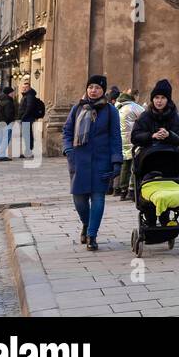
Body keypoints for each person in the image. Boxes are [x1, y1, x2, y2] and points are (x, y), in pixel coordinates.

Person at [62, 75, 123, 251]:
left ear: (103, 90)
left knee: (98, 198)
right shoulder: (77, 108)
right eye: (91, 87)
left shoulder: (111, 111)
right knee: (79, 199)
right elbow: (67, 132)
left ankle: (92, 235)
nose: (93, 90)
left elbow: (115, 137)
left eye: (97, 87)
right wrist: (69, 150)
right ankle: (86, 224)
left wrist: (116, 161)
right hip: (79, 160)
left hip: (101, 160)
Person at [112, 87, 146, 200]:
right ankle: (132, 191)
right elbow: (145, 118)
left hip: (120, 141)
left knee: (123, 166)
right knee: (133, 166)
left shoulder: (116, 107)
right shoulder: (134, 107)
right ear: (134, 96)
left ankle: (122, 190)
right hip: (133, 141)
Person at [17, 76, 45, 159]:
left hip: (27, 118)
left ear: (29, 88)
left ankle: (28, 151)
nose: (23, 89)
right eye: (22, 87)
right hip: (26, 118)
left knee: (27, 135)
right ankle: (28, 151)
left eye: (25, 87)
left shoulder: (29, 96)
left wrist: (24, 116)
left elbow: (29, 107)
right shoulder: (27, 95)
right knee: (27, 135)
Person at [0, 85, 17, 161]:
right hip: (6, 122)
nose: (13, 94)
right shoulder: (8, 102)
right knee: (6, 138)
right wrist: (11, 121)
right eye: (12, 92)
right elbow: (8, 114)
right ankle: (2, 155)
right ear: (9, 93)